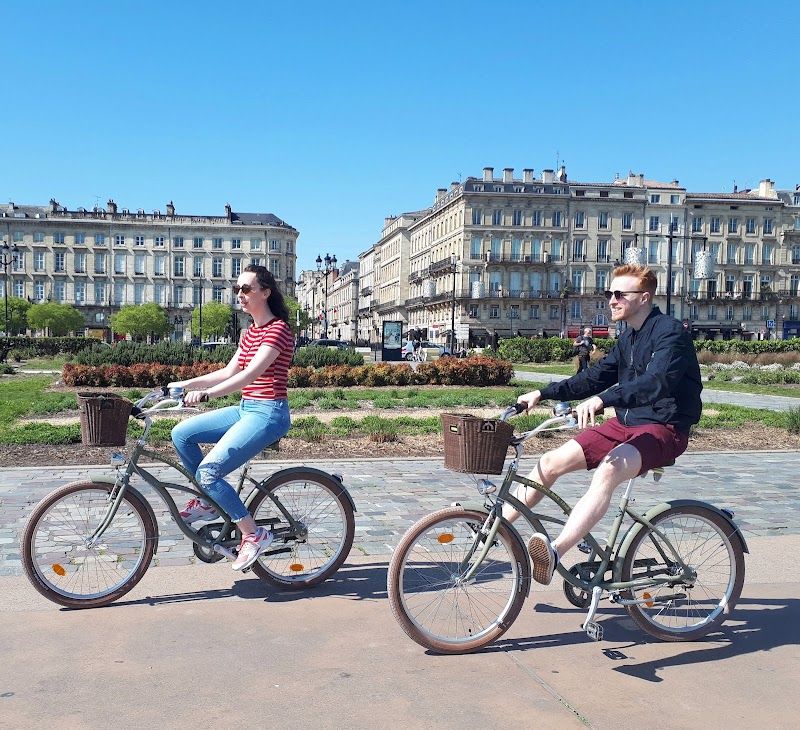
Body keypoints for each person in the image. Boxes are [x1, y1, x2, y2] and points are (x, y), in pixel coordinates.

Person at [507, 264, 702, 585]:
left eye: (618, 294)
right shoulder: (628, 339)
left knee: (609, 469)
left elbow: (656, 383)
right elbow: (592, 378)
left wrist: (605, 400)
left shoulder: (670, 332)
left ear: (644, 298)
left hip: (665, 428)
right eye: (609, 293)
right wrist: (542, 393)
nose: (611, 300)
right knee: (550, 461)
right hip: (625, 425)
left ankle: (554, 552)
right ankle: (498, 530)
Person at [168, 265, 295, 571]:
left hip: (269, 412)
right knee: (181, 434)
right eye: (237, 289)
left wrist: (207, 395)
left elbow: (250, 375)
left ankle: (253, 534)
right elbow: (228, 372)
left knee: (209, 472)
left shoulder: (278, 330)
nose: (240, 294)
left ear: (265, 292)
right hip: (246, 408)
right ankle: (209, 502)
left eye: (246, 288)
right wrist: (184, 384)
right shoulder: (249, 333)